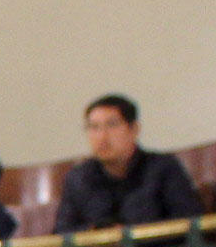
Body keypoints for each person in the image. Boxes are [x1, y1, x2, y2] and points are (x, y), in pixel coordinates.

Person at [55, 94, 205, 238]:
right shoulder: (78, 178)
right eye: (94, 127)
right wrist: (94, 237)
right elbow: (62, 233)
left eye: (111, 125)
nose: (101, 136)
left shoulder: (163, 168)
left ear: (134, 129)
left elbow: (190, 223)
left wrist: (129, 238)